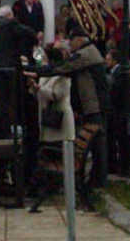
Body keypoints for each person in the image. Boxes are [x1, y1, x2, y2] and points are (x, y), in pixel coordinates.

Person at [47, 27, 110, 189]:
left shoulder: (86, 54)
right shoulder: (90, 51)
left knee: (98, 145)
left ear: (80, 39)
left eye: (71, 40)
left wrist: (39, 72)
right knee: (97, 145)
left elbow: (64, 67)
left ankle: (98, 180)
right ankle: (97, 179)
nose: (70, 44)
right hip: (93, 106)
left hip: (94, 106)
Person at [0, 5, 36, 138]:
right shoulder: (10, 24)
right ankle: (4, 133)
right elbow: (30, 34)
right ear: (9, 15)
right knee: (4, 102)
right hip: (6, 69)